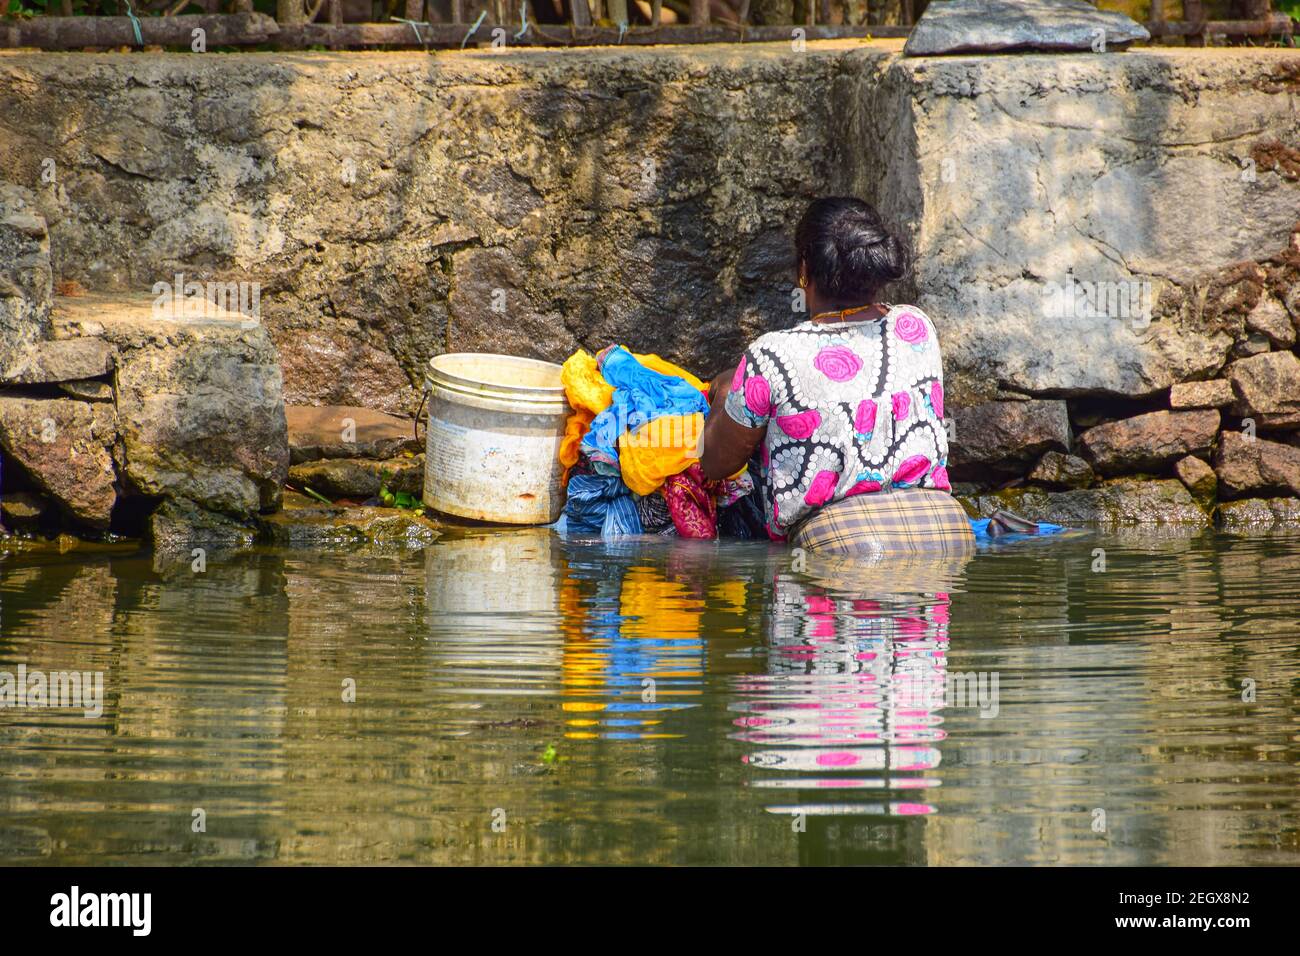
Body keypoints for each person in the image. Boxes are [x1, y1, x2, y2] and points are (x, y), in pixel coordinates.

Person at [700, 197, 975, 555]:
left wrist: (725, 393)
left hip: (845, 547)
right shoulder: (915, 326)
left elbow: (715, 463)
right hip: (946, 536)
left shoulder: (770, 356)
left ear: (804, 268)